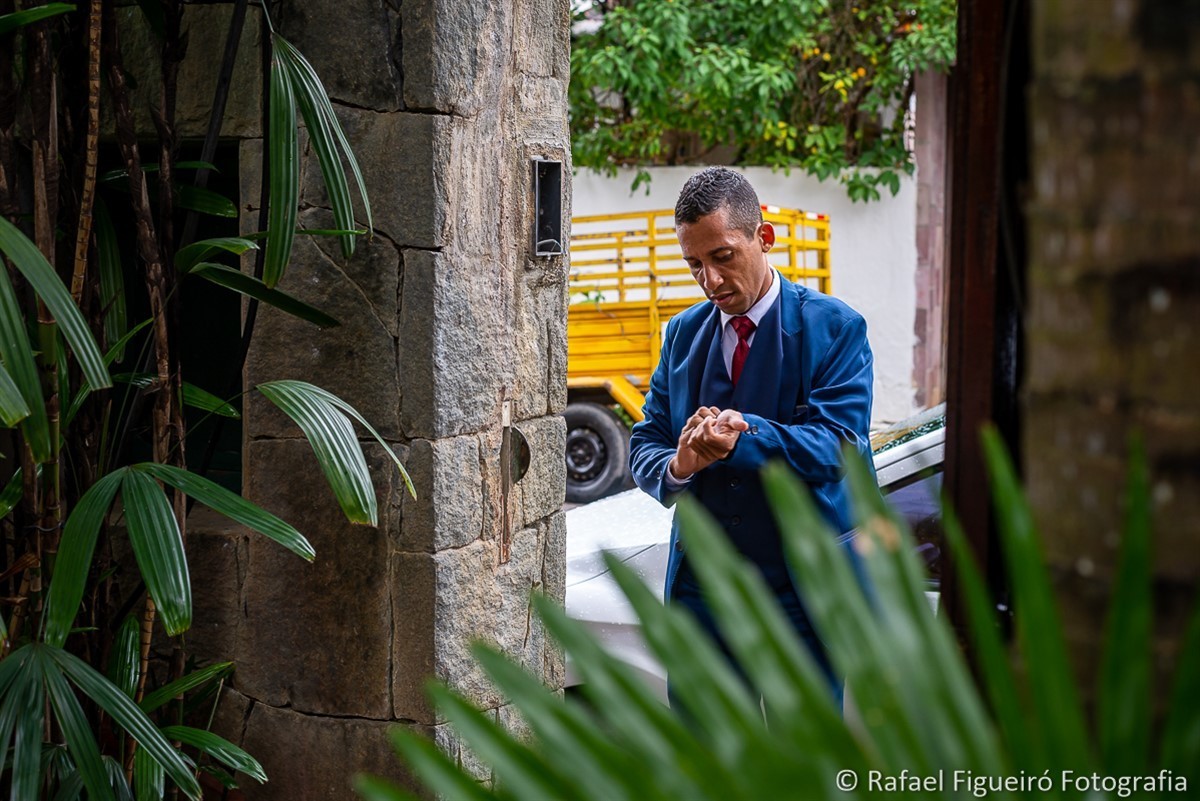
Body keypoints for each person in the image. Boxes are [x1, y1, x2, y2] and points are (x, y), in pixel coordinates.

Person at [628, 166, 876, 709]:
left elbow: (839, 446)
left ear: (764, 237)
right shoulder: (682, 333)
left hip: (803, 591)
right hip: (704, 593)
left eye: (723, 257)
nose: (710, 281)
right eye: (695, 264)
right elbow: (646, 440)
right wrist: (680, 465)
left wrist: (745, 436)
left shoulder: (835, 328)